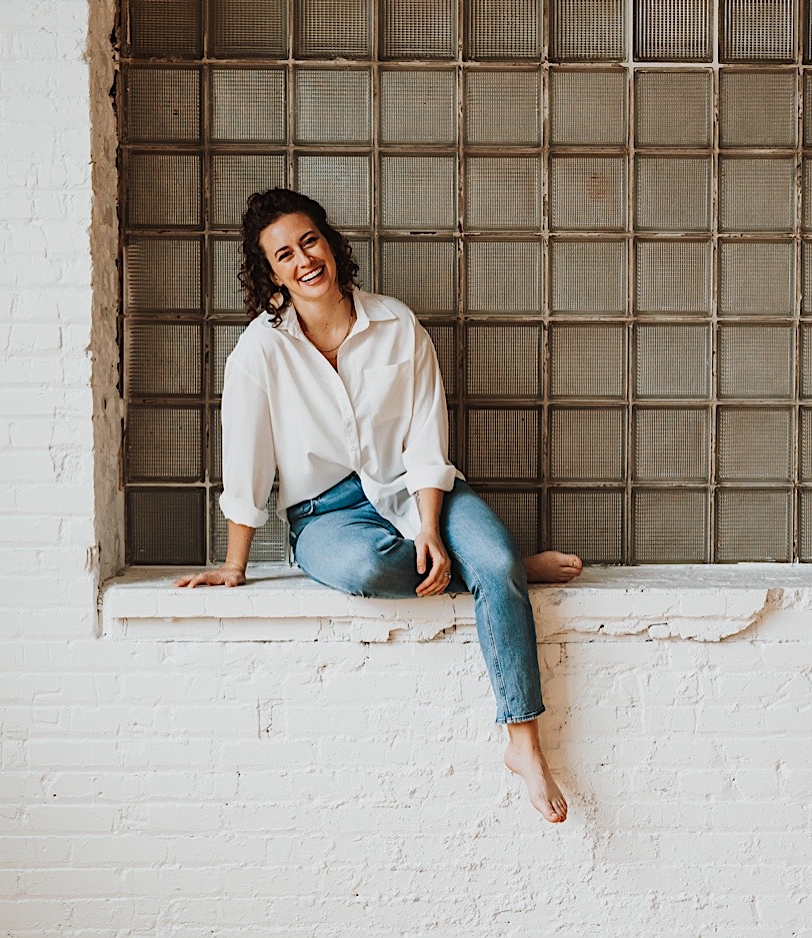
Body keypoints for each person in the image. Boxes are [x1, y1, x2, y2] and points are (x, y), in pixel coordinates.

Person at [174, 188, 581, 823]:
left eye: (309, 241)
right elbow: (246, 461)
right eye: (283, 255)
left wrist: (429, 523)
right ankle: (502, 568)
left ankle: (522, 744)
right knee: (371, 570)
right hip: (325, 516)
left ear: (330, 244)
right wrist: (235, 565)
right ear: (269, 274)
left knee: (488, 561)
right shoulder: (260, 351)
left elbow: (426, 434)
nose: (303, 260)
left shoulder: (396, 324)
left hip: (415, 488)